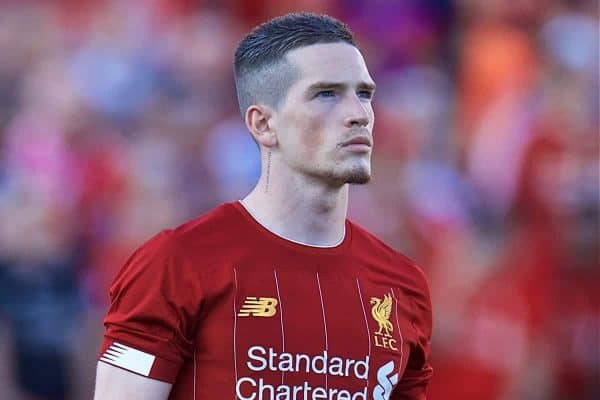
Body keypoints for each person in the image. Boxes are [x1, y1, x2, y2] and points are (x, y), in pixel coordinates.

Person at [94, 12, 433, 400]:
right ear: (263, 124)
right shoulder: (176, 263)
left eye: (364, 93)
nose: (359, 114)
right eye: (326, 94)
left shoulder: (403, 286)